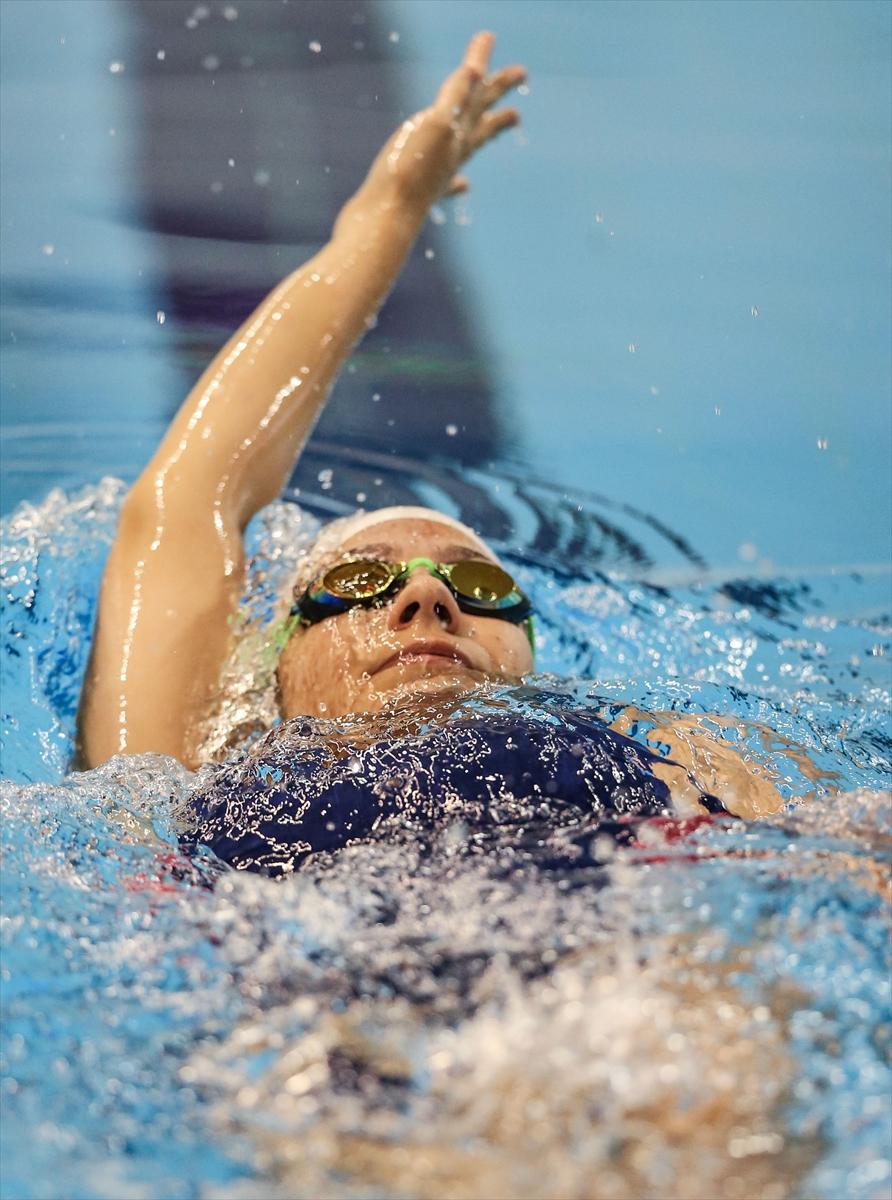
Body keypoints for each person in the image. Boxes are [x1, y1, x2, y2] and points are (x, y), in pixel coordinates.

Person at [78, 33, 787, 872]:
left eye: (482, 586)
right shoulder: (176, 778)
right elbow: (183, 507)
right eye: (354, 582)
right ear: (260, 680)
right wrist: (381, 220)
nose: (424, 596)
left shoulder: (668, 757)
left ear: (531, 658)